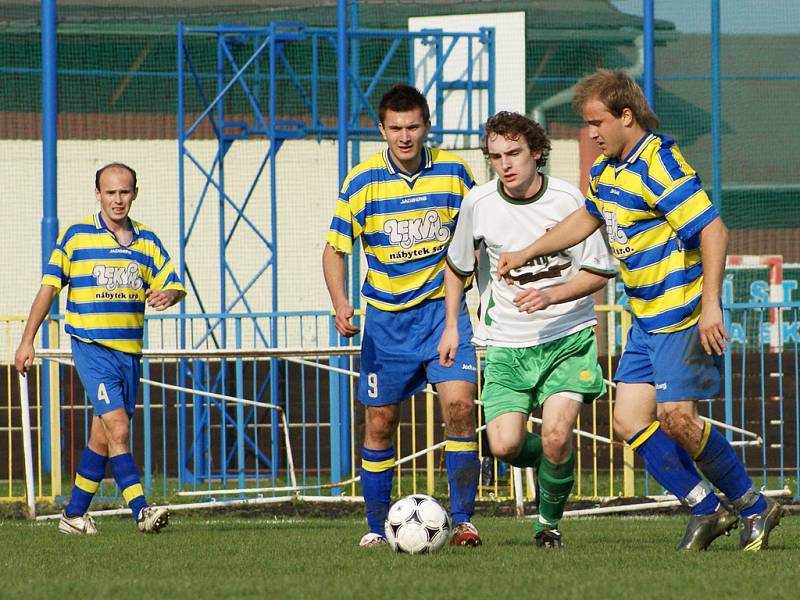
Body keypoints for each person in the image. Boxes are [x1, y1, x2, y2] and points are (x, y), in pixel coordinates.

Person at [497, 69, 782, 551]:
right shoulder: (607, 171)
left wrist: (711, 304)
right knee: (630, 420)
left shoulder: (659, 164)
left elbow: (713, 230)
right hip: (646, 320)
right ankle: (705, 507)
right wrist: (527, 252)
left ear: (626, 116)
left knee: (677, 420)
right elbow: (587, 217)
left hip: (682, 314)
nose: (591, 133)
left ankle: (755, 506)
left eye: (596, 122)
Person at [438, 111, 615, 548]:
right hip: (505, 344)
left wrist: (552, 296)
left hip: (567, 338)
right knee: (504, 446)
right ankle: (556, 462)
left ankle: (548, 525)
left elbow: (599, 271)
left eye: (514, 153)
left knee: (556, 433)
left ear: (537, 152)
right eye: (496, 156)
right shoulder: (478, 204)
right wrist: (451, 328)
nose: (506, 164)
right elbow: (457, 269)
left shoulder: (568, 199)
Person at [322, 83, 482, 548]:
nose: (405, 136)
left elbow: (481, 232)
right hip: (386, 325)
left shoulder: (454, 173)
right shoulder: (362, 180)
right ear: (382, 130)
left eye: (413, 127)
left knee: (460, 407)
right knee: (379, 422)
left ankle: (463, 520)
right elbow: (334, 251)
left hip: (443, 316)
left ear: (426, 127)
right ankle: (375, 528)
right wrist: (341, 302)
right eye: (395, 128)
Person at [15, 162, 186, 535]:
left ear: (134, 194)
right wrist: (27, 339)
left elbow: (172, 283)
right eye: (110, 192)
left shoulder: (147, 242)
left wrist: (167, 295)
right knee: (119, 429)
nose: (117, 199)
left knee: (103, 437)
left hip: (129, 354)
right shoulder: (77, 237)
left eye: (124, 192)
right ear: (98, 195)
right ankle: (141, 511)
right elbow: (48, 288)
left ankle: (73, 515)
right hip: (92, 348)